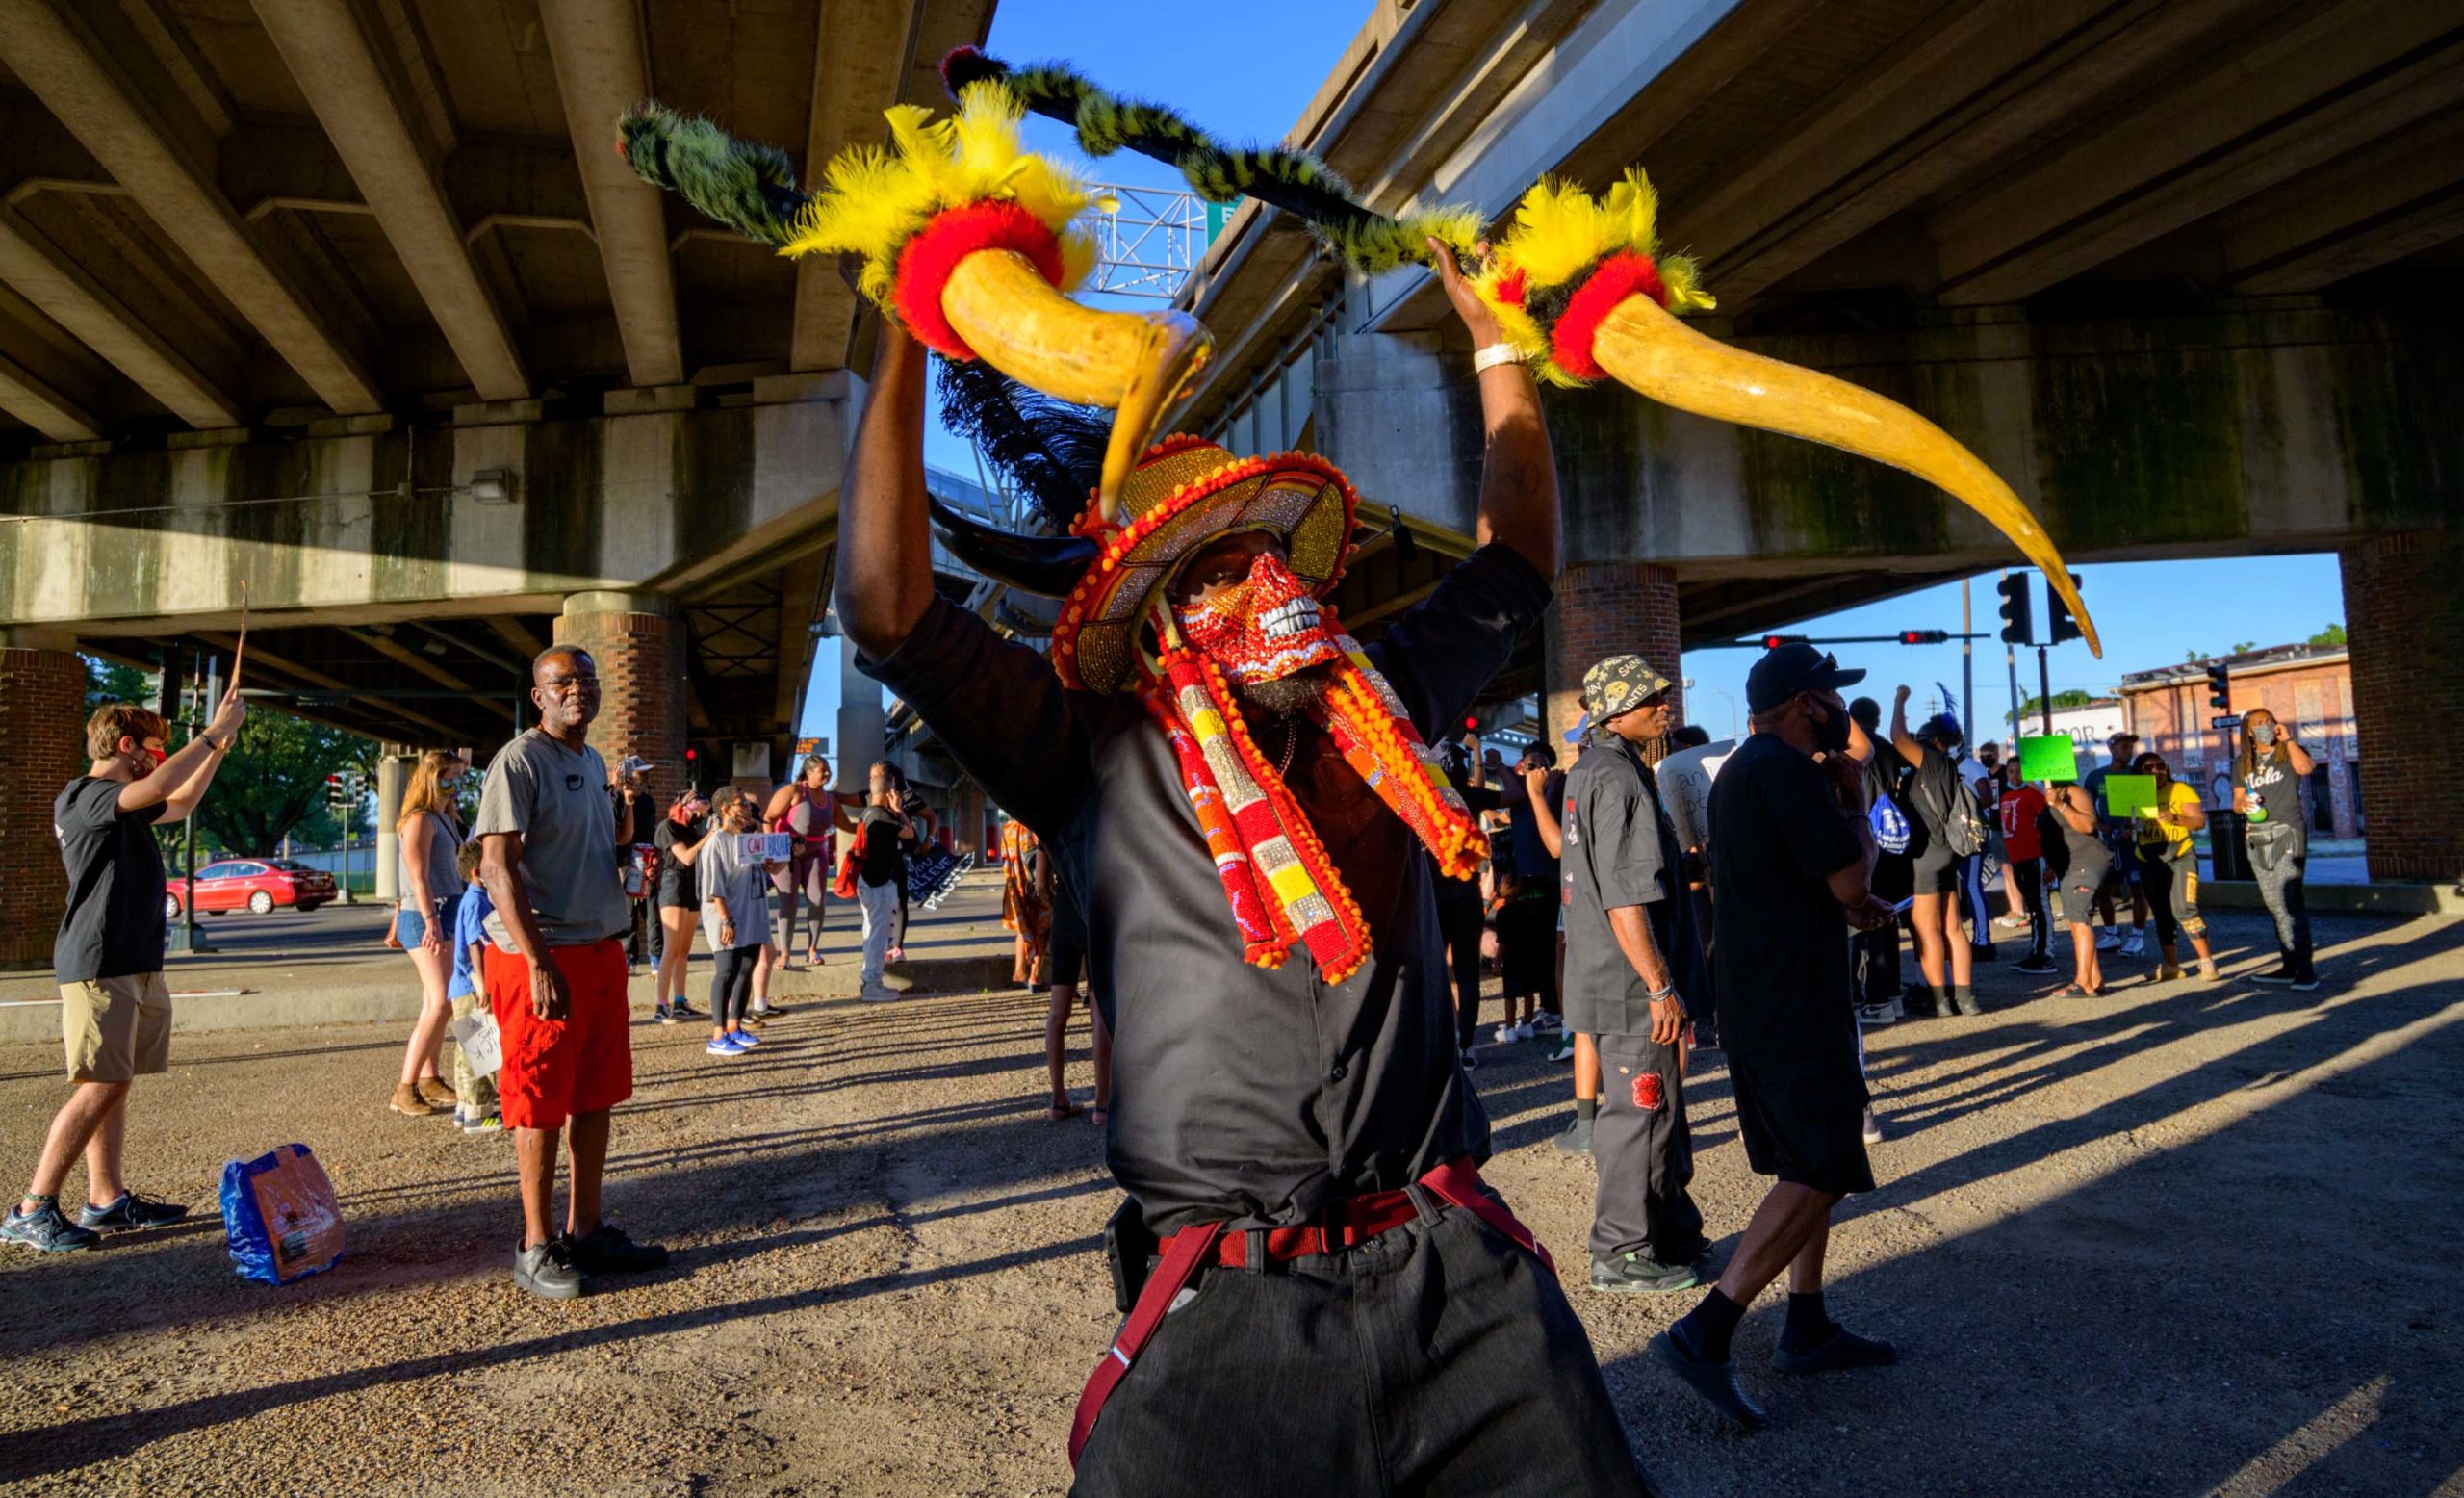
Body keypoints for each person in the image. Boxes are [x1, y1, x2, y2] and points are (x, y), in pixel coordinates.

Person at [839, 237, 1652, 1491]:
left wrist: (1499, 343)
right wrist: (905, 324)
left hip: (1454, 1276)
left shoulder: (1375, 704)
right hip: (1225, 1303)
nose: (1266, 581)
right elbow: (890, 611)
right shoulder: (1090, 751)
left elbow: (1518, 564)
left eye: (1271, 550)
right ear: (1159, 607)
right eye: (1222, 564)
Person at [1656, 643, 1899, 1430]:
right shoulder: (1791, 772)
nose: (1839, 708)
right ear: (1804, 704)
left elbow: (1806, 883)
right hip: (1792, 1000)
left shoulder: (1746, 772)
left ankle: (1807, 1321)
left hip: (1761, 993)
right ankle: (1708, 1329)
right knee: (1824, 1163)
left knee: (1809, 1157)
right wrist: (1857, 801)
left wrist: (1847, 897)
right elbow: (1852, 879)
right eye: (1829, 694)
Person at [5, 689, 244, 1253]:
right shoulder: (86, 796)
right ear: (126, 746)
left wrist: (218, 750)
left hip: (132, 959)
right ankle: (31, 1207)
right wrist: (209, 732)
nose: (158, 760)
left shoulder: (126, 805)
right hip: (99, 960)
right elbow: (161, 787)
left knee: (114, 1082)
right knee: (101, 1083)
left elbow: (179, 802)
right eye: (154, 750)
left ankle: (105, 1199)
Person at [474, 645, 667, 1299]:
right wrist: (537, 962)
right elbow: (495, 866)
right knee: (537, 1103)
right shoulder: (518, 760)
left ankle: (585, 1230)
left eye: (586, 679)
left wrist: (635, 853)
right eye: (562, 682)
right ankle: (534, 1244)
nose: (577, 690)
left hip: (599, 947)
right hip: (542, 955)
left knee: (595, 1094)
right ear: (539, 696)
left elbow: (596, 847)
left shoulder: (588, 760)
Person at [1558, 655, 1713, 1294]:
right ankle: (1621, 1251)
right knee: (1640, 1117)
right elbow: (1627, 898)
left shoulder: (1593, 769)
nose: (1663, 705)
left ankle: (1670, 1229)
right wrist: (1660, 985)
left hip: (1609, 975)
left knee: (1661, 1115)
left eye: (1661, 694)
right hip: (1630, 987)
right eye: (1650, 698)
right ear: (1615, 711)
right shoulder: (1618, 778)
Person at [1890, 691, 1982, 1016]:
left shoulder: (1931, 762)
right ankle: (1967, 999)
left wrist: (1900, 700)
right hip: (1947, 854)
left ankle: (1941, 1000)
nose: (1917, 740)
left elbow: (1898, 737)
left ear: (1934, 739)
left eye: (1923, 737)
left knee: (1927, 930)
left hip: (1925, 857)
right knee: (1953, 927)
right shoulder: (1947, 767)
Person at [391, 749, 467, 1118]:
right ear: (431, 778)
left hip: (448, 908)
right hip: (427, 913)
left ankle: (429, 1077)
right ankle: (405, 1087)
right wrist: (431, 918)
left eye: (459, 779)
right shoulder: (420, 820)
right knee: (440, 1001)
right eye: (448, 779)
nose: (455, 786)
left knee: (441, 1002)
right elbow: (417, 875)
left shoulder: (443, 817)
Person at [698, 788, 785, 1055]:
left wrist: (776, 863)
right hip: (729, 915)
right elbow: (714, 886)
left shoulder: (748, 839)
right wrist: (725, 920)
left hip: (752, 912)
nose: (748, 809)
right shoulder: (717, 841)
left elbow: (768, 870)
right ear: (725, 809)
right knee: (726, 971)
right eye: (742, 804)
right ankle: (718, 1035)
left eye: (748, 804)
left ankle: (734, 1027)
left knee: (746, 968)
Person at [2234, 710, 2318, 990]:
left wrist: (2289, 739)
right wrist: (2243, 804)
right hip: (2257, 834)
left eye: (2268, 720)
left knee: (2291, 900)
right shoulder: (2242, 763)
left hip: (2287, 831)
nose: (2265, 726)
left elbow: (2306, 769)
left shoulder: (2287, 752)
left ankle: (2306, 971)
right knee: (2274, 904)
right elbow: (2236, 802)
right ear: (2248, 731)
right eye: (2258, 723)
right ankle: (2289, 965)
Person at [1435, 734, 1502, 1070]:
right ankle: (1466, 1044)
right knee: (1467, 972)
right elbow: (1513, 796)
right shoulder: (1469, 796)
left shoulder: (1424, 797)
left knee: (1436, 971)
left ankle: (1442, 1041)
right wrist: (1485, 760)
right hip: (1465, 894)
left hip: (1433, 895)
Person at [1847, 697, 1911, 1026]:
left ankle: (1873, 998)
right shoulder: (1887, 749)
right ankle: (1891, 996)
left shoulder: (1853, 752)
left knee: (1861, 924)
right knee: (1887, 919)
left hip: (1865, 845)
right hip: (1892, 845)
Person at [2129, 751, 2217, 984]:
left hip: (2179, 855)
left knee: (2184, 908)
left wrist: (2176, 818)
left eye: (2160, 766)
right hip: (2149, 858)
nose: (2157, 771)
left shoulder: (2180, 790)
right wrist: (2128, 828)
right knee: (2161, 912)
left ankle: (2207, 962)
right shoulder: (2135, 794)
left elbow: (2198, 821)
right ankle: (2171, 965)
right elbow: (2132, 827)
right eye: (2149, 768)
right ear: (2139, 773)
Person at [766, 753, 857, 969]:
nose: (826, 773)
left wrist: (869, 828)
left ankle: (812, 949)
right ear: (808, 772)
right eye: (821, 770)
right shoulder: (794, 791)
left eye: (828, 769)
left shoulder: (831, 799)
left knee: (817, 901)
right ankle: (785, 954)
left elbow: (844, 824)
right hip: (787, 850)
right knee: (789, 902)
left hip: (816, 851)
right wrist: (773, 849)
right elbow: (768, 817)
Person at [1042, 861, 1113, 1123]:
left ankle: (1057, 1100)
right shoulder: (1098, 822)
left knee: (1057, 1013)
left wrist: (1058, 903)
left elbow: (1040, 883)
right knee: (1099, 1016)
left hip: (1064, 916)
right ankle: (1102, 1106)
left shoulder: (1055, 824)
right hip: (1097, 915)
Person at [447, 838, 503, 1132]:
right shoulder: (475, 901)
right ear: (476, 871)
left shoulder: (475, 899)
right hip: (471, 987)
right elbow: (473, 945)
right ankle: (479, 1115)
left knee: (466, 1052)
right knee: (481, 1052)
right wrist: (482, 984)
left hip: (464, 987)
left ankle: (464, 1108)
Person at [2081, 732, 2149, 958]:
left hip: (2134, 842)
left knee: (2139, 888)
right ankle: (2111, 933)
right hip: (2109, 844)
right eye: (2124, 747)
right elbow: (2087, 804)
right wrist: (2099, 823)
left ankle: (2137, 936)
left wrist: (2135, 824)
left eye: (2131, 747)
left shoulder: (2137, 774)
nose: (2128, 751)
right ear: (2112, 749)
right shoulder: (2096, 777)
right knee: (2103, 889)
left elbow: (2147, 805)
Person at [651, 787, 713, 1023]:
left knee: (684, 951)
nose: (698, 808)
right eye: (695, 801)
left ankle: (679, 1001)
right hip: (673, 884)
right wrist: (708, 836)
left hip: (691, 887)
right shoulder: (668, 827)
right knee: (671, 949)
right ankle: (661, 1005)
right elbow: (685, 857)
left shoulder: (693, 829)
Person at [2045, 778, 2110, 997]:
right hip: (2067, 865)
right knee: (2075, 921)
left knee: (2080, 919)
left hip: (2085, 861)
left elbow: (2088, 825)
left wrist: (2061, 804)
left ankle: (2083, 983)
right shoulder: (2046, 794)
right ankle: (2095, 978)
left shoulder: (2075, 792)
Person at [854, 778, 917, 1002]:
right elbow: (910, 834)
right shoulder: (883, 817)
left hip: (869, 882)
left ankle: (870, 981)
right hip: (877, 884)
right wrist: (899, 810)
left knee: (872, 934)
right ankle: (872, 984)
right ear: (888, 792)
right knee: (877, 937)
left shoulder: (868, 814)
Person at [1995, 761, 2057, 974]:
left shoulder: (2034, 795)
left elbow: (2049, 824)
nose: (2014, 776)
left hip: (2034, 856)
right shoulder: (2004, 797)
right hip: (2017, 857)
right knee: (2032, 904)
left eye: (2018, 772)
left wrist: (2050, 861)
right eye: (2010, 772)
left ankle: (2045, 954)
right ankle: (2036, 949)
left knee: (2040, 904)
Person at [1001, 815, 1051, 989]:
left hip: (1015, 884)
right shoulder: (1034, 826)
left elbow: (1005, 859)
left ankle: (1019, 972)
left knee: (1024, 927)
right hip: (1036, 885)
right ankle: (1034, 977)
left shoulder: (1008, 827)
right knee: (1043, 927)